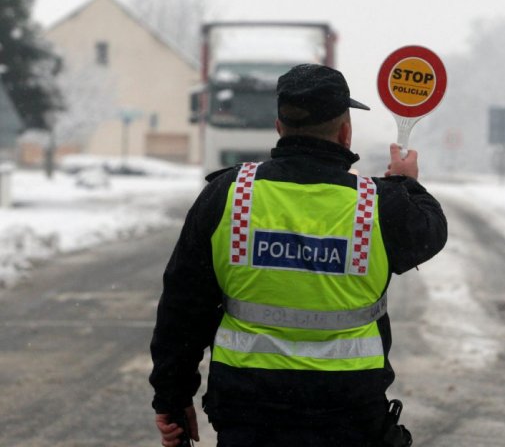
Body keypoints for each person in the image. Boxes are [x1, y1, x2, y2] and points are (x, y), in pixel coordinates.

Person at [150, 64, 448, 447]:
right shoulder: (377, 204)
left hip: (249, 416)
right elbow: (431, 232)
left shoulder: (228, 195)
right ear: (345, 131)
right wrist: (406, 182)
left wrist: (172, 398)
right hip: (350, 417)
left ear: (279, 126)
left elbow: (183, 308)